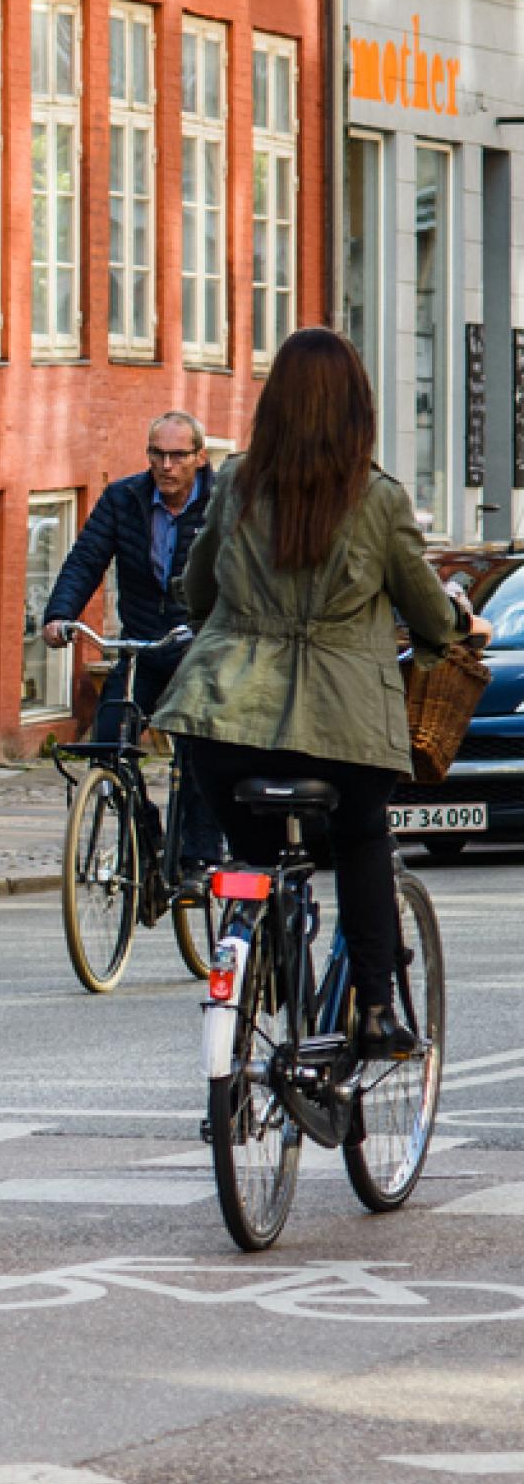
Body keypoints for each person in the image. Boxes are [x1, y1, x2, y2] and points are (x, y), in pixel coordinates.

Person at [154, 328, 485, 1061]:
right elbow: (428, 613)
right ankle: (372, 1010)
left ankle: (256, 979)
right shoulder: (375, 498)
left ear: (273, 405)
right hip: (342, 728)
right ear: (354, 410)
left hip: (220, 716)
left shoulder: (236, 481)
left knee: (253, 855)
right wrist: (459, 621)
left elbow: (196, 590)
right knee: (363, 836)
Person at [41, 411, 221, 886]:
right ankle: (144, 830)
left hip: (198, 648)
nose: (166, 465)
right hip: (142, 644)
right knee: (109, 740)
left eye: (177, 455)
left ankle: (197, 858)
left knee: (199, 748)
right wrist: (61, 615)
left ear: (199, 457)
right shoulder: (124, 499)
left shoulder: (223, 504)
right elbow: (85, 560)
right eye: (156, 454)